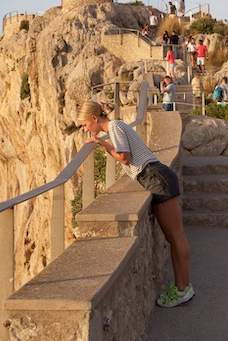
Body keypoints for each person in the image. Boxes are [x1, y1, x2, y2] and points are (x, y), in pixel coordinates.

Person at [78, 101, 194, 307]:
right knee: (177, 236)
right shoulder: (118, 125)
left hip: (155, 178)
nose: (86, 129)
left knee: (175, 237)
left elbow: (124, 158)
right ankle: (184, 287)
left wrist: (103, 144)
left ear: (95, 119)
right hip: (158, 176)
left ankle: (182, 289)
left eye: (85, 124)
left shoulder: (113, 127)